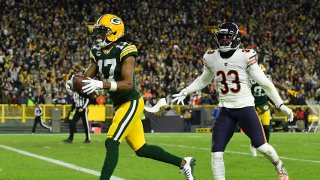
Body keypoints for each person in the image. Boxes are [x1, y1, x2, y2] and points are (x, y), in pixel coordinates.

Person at [65, 14, 195, 180]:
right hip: (120, 104)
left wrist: (102, 84)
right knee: (142, 149)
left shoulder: (126, 49)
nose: (99, 36)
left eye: (102, 31)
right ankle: (184, 163)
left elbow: (127, 84)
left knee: (111, 142)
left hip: (131, 101)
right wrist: (73, 83)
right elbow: (86, 79)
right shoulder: (97, 52)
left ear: (114, 32)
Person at [172, 22, 293, 180]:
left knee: (262, 146)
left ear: (235, 38)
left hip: (245, 108)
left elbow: (265, 83)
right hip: (225, 110)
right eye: (221, 38)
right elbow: (203, 80)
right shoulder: (211, 57)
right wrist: (186, 90)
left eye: (227, 38)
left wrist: (281, 104)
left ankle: (279, 165)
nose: (223, 41)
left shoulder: (245, 56)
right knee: (216, 152)